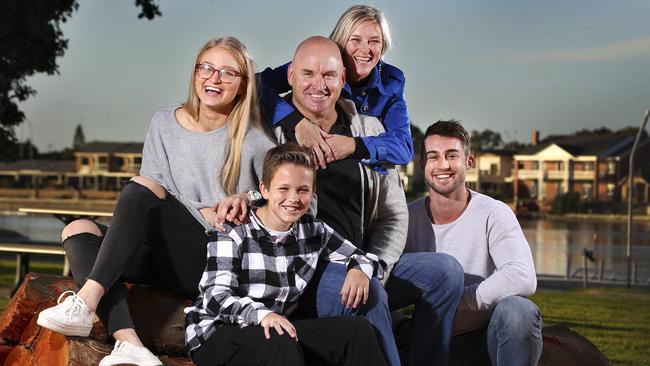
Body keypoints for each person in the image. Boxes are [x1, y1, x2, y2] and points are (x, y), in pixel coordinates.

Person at [218, 36, 464, 366]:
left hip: (362, 260)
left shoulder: (369, 129)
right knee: (368, 294)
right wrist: (244, 196)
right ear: (290, 75)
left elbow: (392, 215)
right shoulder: (267, 132)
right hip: (305, 271)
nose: (318, 85)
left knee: (445, 271)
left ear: (342, 80)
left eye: (329, 75)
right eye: (308, 74)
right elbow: (253, 193)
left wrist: (370, 265)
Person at [36, 37, 275, 366]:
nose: (214, 78)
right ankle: (128, 342)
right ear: (194, 74)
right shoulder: (164, 122)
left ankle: (86, 300)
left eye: (227, 73)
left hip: (211, 260)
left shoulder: (254, 141)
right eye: (206, 68)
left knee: (140, 183)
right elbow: (149, 202)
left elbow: (288, 202)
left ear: (242, 84)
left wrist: (247, 198)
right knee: (77, 228)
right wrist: (196, 207)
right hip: (161, 251)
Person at [185, 144, 390, 366]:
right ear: (264, 190)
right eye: (283, 189)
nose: (293, 198)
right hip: (218, 333)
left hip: (276, 328)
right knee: (279, 340)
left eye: (302, 190)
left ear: (313, 192)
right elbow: (215, 297)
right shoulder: (234, 230)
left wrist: (359, 269)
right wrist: (262, 315)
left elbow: (367, 258)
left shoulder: (313, 230)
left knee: (356, 332)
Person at [404, 120, 542, 366]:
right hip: (427, 336)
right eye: (433, 156)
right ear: (423, 164)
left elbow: (522, 275)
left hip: (484, 336)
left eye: (452, 155)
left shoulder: (494, 213)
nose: (443, 165)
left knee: (519, 311)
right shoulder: (405, 219)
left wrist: (457, 301)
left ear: (469, 162)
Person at [259, 4, 412, 169]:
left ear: (383, 46)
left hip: (355, 168)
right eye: (355, 40)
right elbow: (256, 85)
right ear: (341, 40)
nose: (365, 49)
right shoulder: (318, 61)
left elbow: (403, 147)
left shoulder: (391, 82)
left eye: (374, 41)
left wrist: (353, 145)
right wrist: (297, 123)